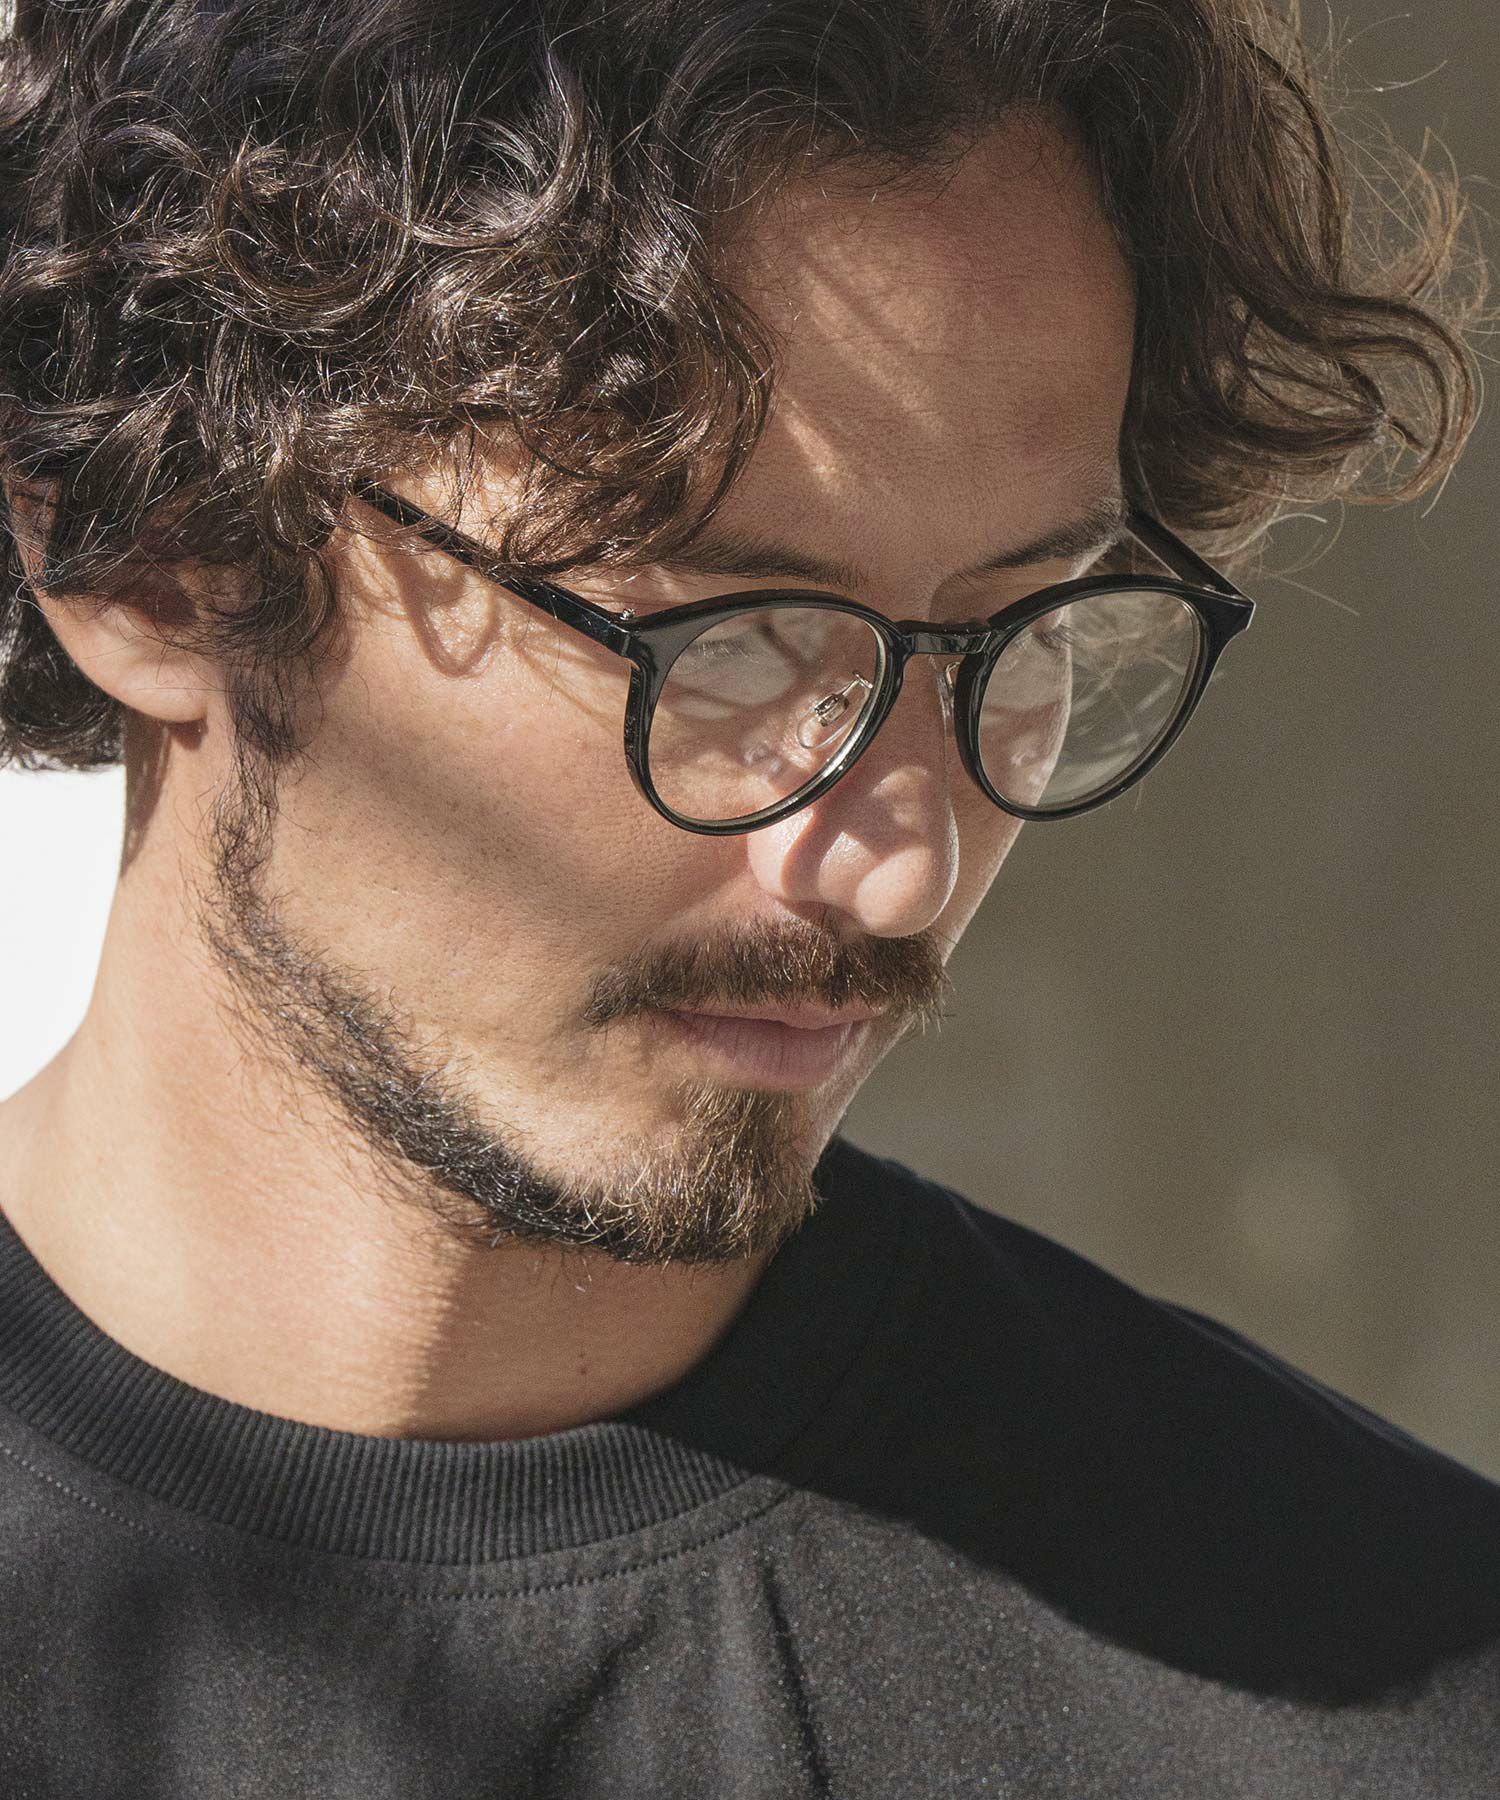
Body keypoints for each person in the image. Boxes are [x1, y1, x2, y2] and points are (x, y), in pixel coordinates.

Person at [0, 0, 1493, 1792]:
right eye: (727, 636)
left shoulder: (1358, 1700)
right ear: (154, 555)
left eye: (1020, 630)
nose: (901, 859)